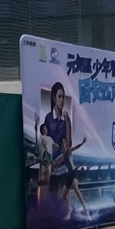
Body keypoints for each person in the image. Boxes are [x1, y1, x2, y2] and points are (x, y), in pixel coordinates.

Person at [41, 82, 89, 218]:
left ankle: (69, 212)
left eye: (63, 97)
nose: (62, 100)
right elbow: (46, 143)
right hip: (53, 164)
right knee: (52, 193)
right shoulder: (48, 118)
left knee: (67, 190)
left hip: (63, 163)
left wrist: (68, 122)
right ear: (54, 98)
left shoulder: (65, 120)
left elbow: (69, 143)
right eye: (59, 97)